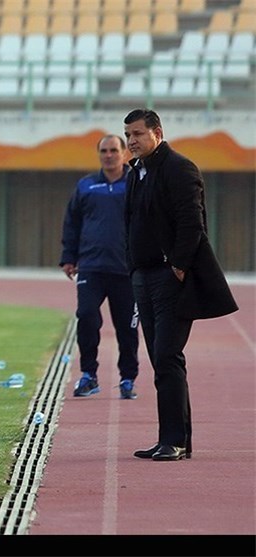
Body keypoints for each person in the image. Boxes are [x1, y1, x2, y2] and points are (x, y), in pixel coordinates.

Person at [123, 108, 238, 462]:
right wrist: (133, 270)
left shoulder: (179, 168)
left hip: (169, 277)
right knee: (161, 360)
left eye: (137, 134)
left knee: (167, 355)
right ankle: (170, 439)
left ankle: (174, 440)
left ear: (157, 132)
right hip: (143, 276)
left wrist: (178, 265)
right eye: (128, 135)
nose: (131, 142)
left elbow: (193, 222)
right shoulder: (136, 174)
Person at [60, 135, 139, 400]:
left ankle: (128, 378)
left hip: (127, 269)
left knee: (127, 327)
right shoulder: (86, 186)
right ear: (99, 154)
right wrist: (68, 257)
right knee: (86, 316)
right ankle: (88, 375)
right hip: (92, 267)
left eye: (114, 150)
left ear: (124, 153)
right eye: (104, 151)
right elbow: (72, 222)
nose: (109, 155)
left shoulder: (137, 183)